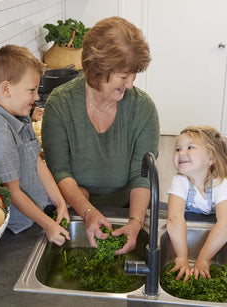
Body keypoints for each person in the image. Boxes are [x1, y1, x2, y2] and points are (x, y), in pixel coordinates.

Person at [41, 17, 160, 254]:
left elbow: (141, 176)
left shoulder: (143, 109)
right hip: (74, 207)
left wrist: (135, 223)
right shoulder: (59, 105)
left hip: (126, 210)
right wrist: (87, 212)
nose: (130, 84)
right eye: (123, 76)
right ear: (96, 71)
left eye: (134, 75)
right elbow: (60, 171)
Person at [0, 45, 70, 246]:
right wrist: (48, 225)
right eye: (32, 90)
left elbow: (37, 163)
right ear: (6, 89)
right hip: (16, 233)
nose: (36, 97)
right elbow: (13, 194)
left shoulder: (19, 118)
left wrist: (60, 203)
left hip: (35, 219)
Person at [166, 125, 227, 281]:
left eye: (190, 147)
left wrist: (204, 259)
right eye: (178, 149)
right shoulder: (180, 181)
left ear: (210, 159)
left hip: (213, 240)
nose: (181, 153)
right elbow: (174, 219)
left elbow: (226, 224)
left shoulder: (220, 183)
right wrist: (182, 256)